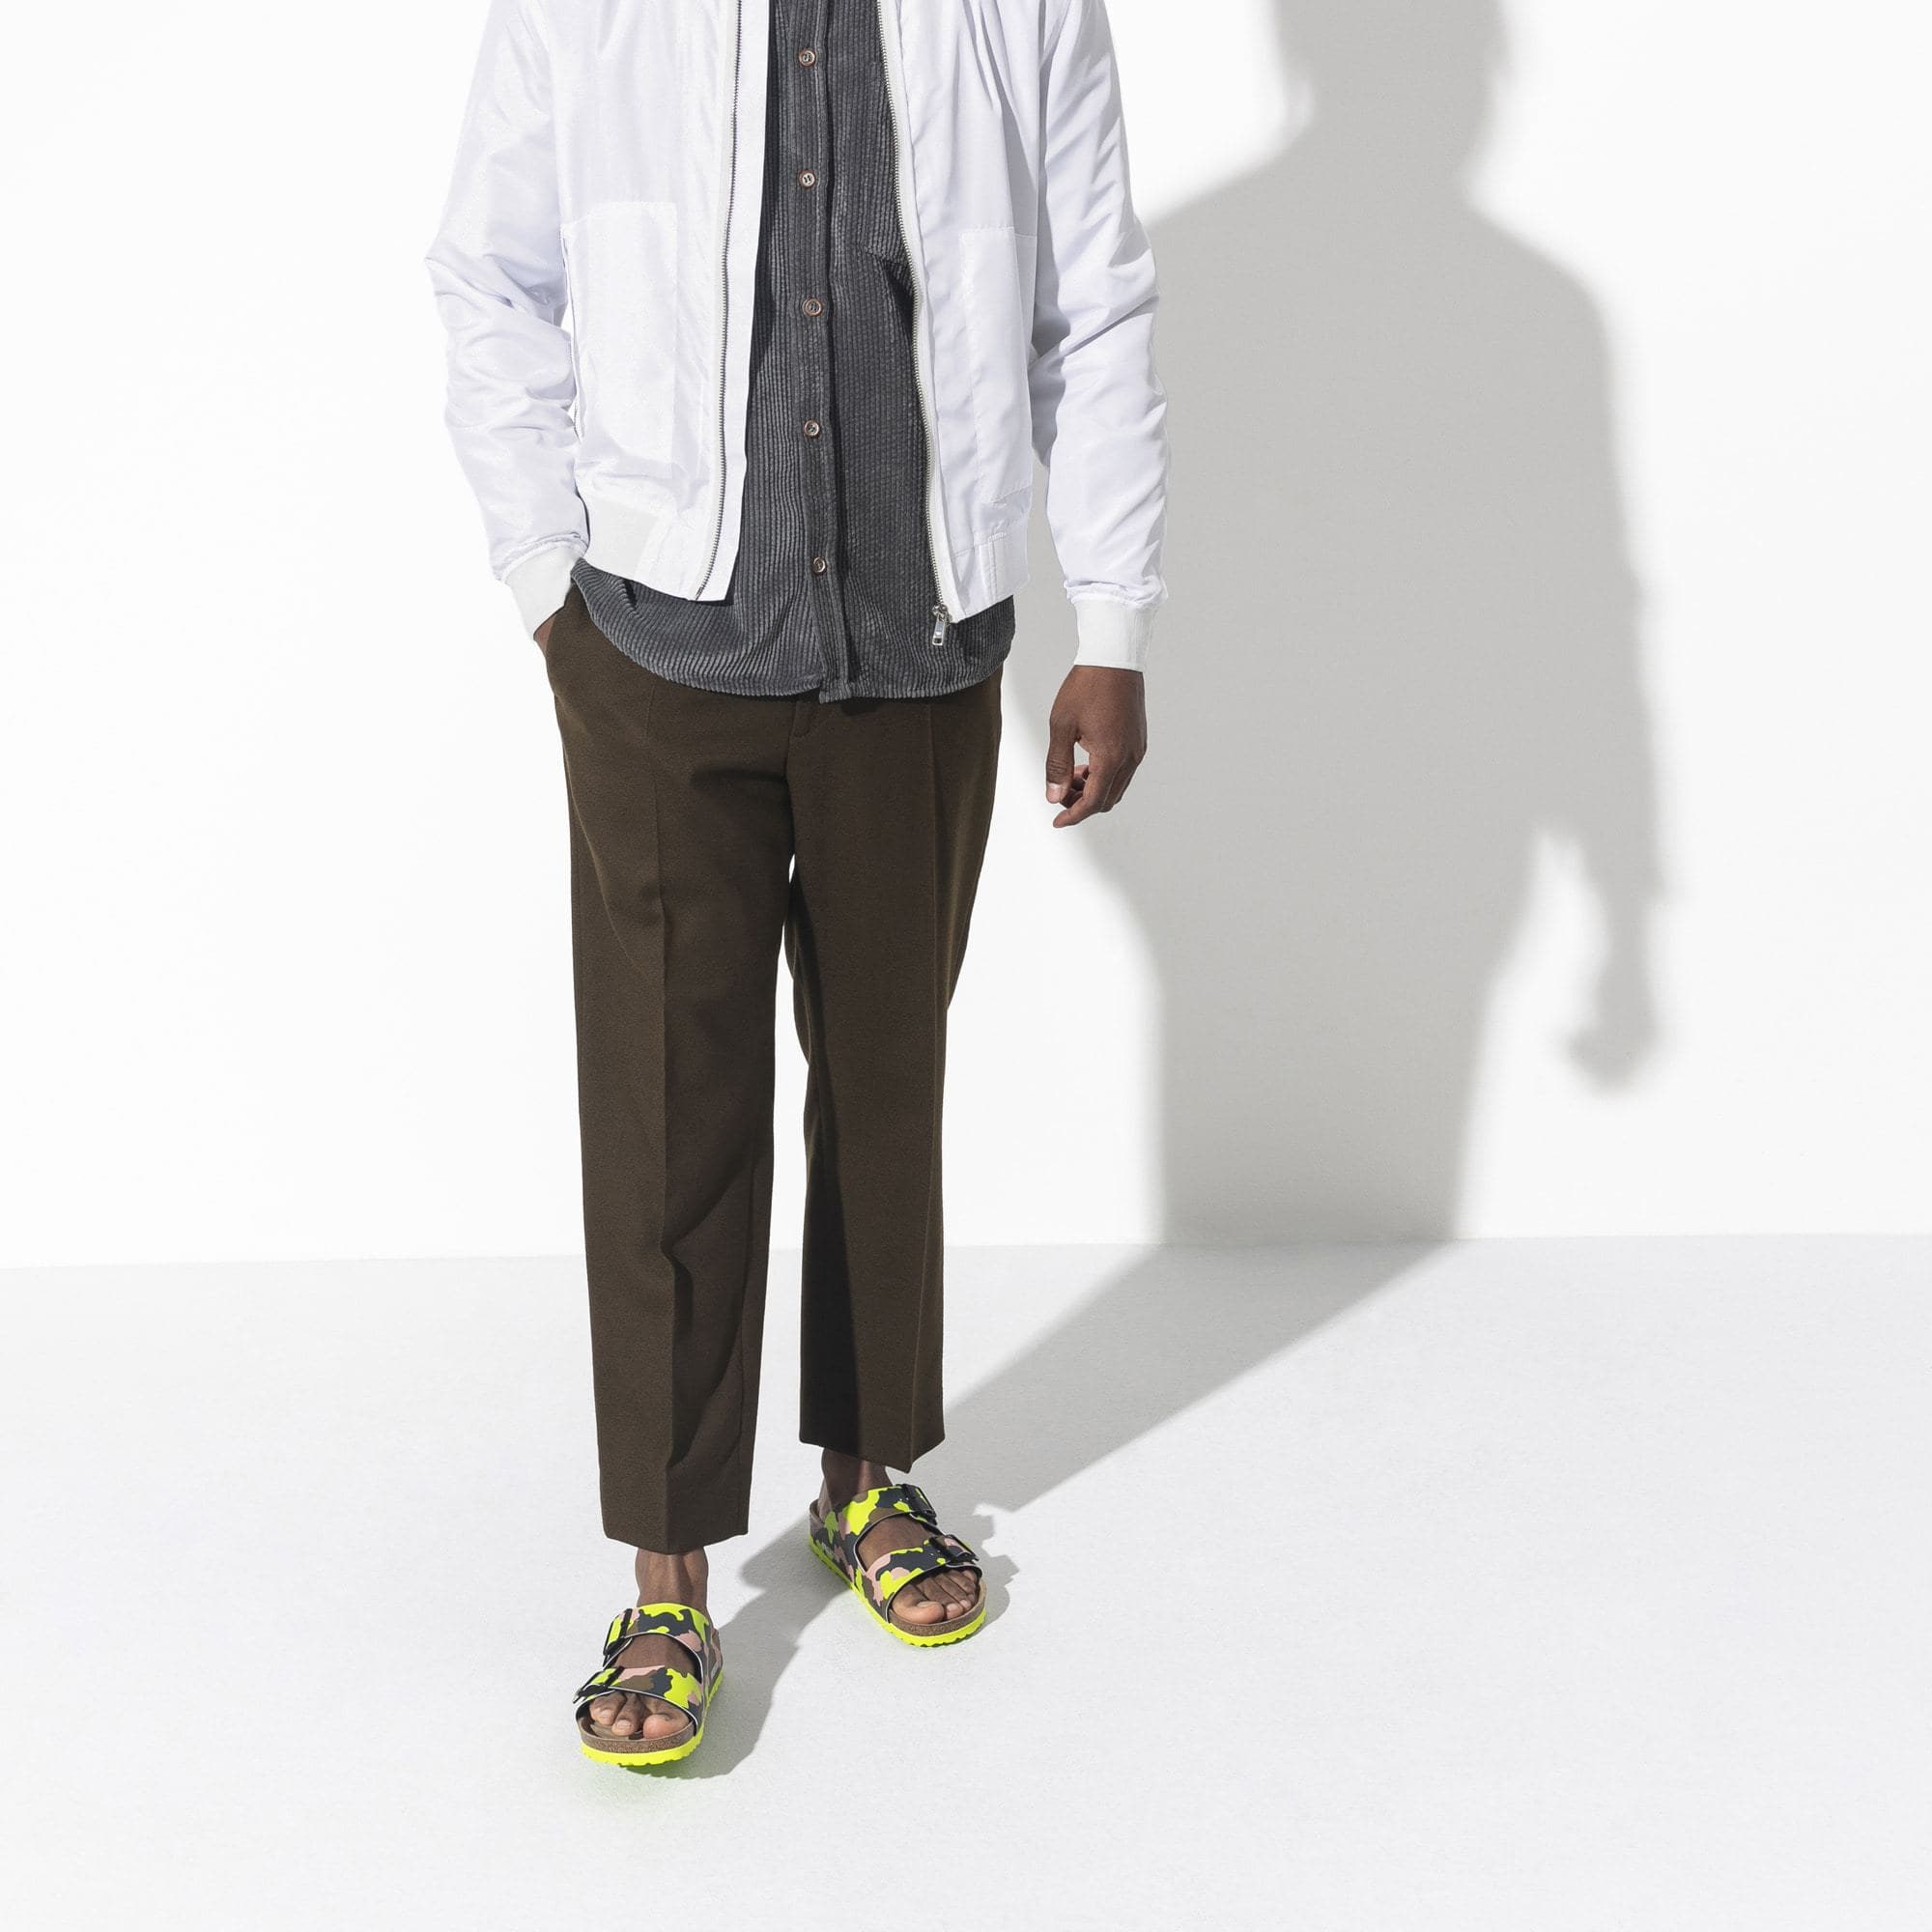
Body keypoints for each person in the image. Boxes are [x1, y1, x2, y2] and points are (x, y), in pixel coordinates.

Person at [425, 0, 1168, 1769]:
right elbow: (490, 274)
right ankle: (667, 1573)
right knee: (668, 1111)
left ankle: (868, 1475)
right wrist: (545, 581)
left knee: (886, 1086)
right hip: (659, 649)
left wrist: (1114, 624)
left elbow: (1097, 301)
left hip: (920, 644)